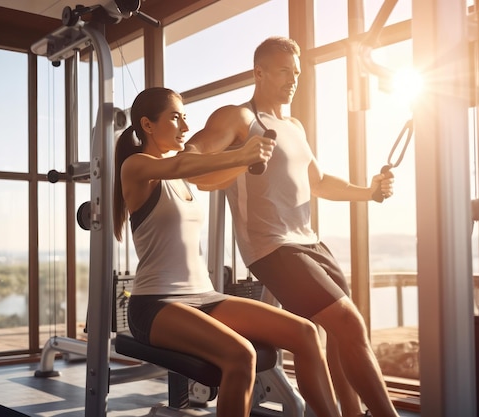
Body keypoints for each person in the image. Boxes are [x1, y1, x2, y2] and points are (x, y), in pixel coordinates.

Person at [187, 37, 399, 417]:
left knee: (338, 335)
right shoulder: (239, 118)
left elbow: (318, 182)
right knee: (349, 323)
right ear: (259, 72)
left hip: (310, 243)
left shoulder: (294, 126)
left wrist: (368, 192)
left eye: (296, 72)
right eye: (284, 70)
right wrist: (241, 156)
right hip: (271, 247)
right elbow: (194, 157)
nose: (292, 79)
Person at [112, 87, 342, 417]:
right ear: (147, 125)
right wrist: (243, 154)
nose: (185, 127)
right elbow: (180, 165)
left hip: (204, 297)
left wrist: (252, 161)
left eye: (185, 118)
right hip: (156, 303)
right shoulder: (136, 167)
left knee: (305, 333)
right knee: (241, 356)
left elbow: (210, 174)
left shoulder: (184, 177)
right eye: (176, 118)